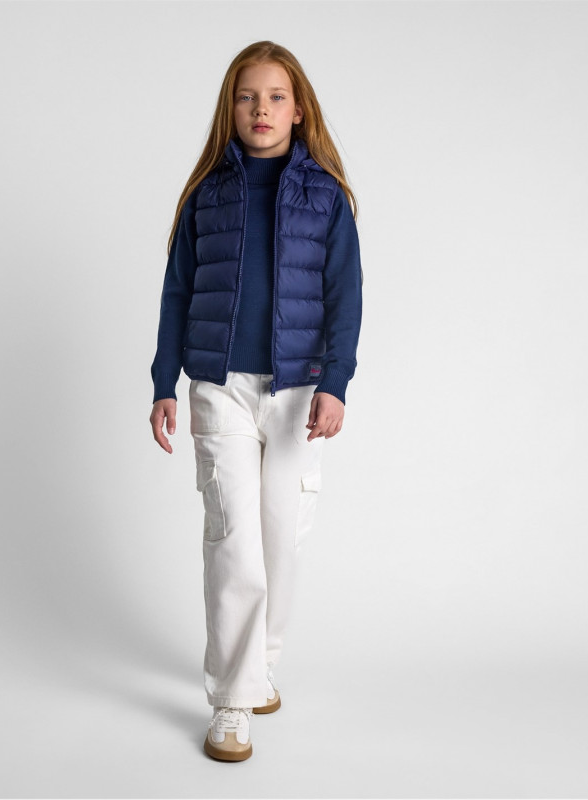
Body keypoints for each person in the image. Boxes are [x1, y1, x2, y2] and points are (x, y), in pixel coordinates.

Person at [149, 40, 362, 762]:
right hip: (219, 388)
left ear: (298, 110)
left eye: (275, 97)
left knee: (279, 538)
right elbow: (177, 292)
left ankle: (261, 661)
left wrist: (335, 383)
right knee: (233, 538)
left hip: (300, 392)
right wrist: (164, 382)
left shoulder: (326, 197)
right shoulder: (206, 195)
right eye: (247, 97)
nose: (261, 109)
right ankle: (232, 700)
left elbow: (346, 297)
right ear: (230, 108)